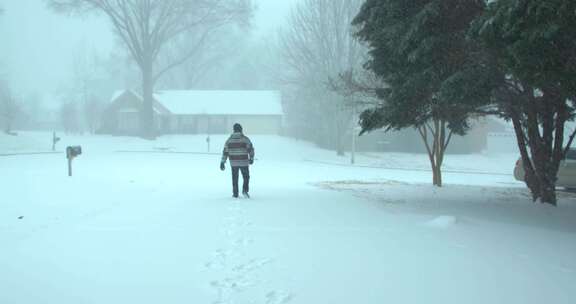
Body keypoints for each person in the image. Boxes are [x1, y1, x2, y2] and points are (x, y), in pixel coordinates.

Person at [220, 123, 255, 198]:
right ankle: (245, 191)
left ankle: (235, 193)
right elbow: (250, 149)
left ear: (234, 130)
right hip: (244, 162)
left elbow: (225, 151)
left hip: (233, 162)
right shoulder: (245, 139)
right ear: (241, 129)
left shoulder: (229, 140)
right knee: (246, 177)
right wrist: (251, 158)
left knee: (235, 178)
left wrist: (222, 162)